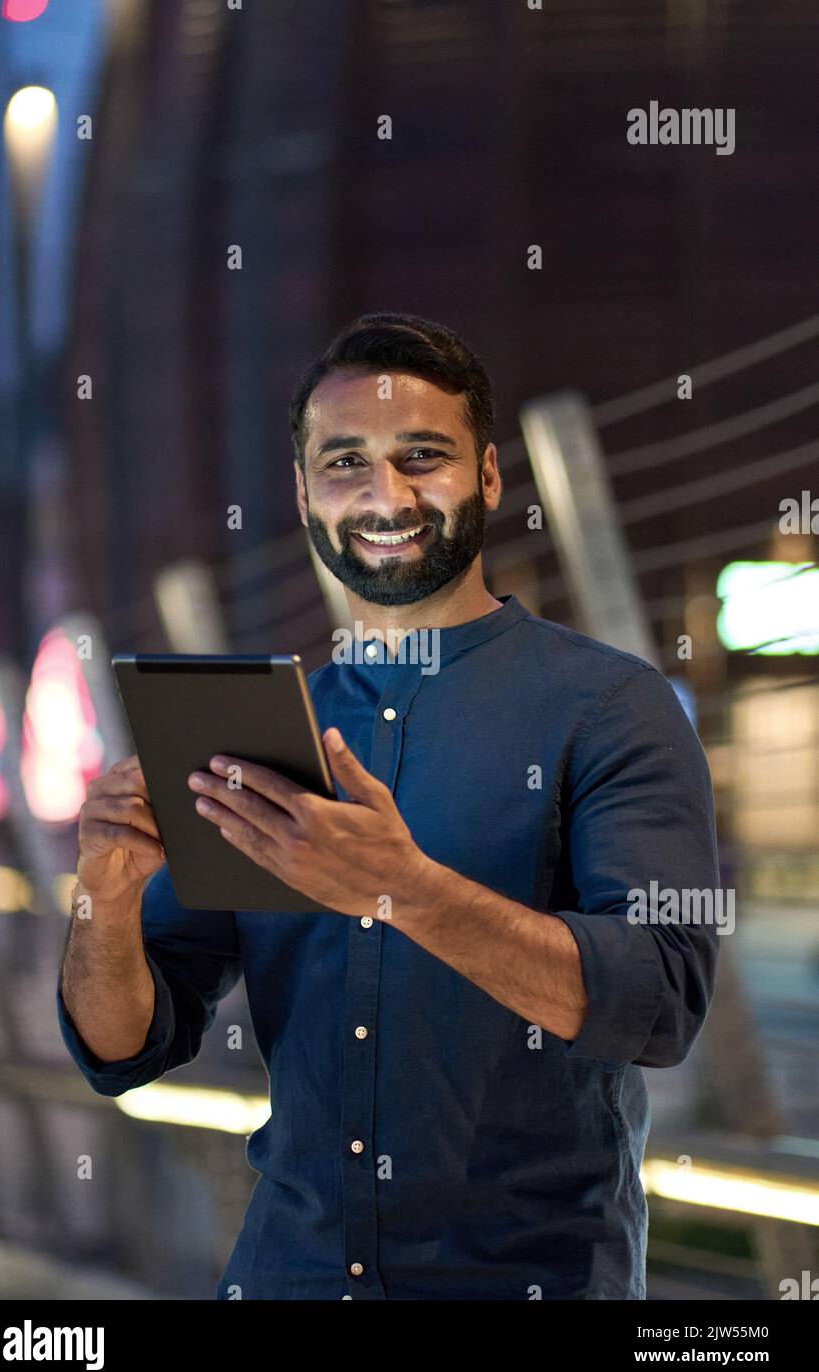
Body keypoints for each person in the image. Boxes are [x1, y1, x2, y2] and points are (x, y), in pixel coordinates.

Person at [58, 311, 720, 1300]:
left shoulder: (608, 708)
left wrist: (401, 890)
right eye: (345, 463)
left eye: (423, 456)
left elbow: (657, 1001)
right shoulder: (262, 735)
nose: (384, 494)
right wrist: (103, 898)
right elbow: (122, 1047)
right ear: (302, 492)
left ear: (489, 477)